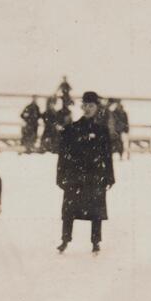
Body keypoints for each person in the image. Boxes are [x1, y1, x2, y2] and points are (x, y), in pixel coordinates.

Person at [56, 91, 114, 253]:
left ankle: (96, 242)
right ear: (81, 106)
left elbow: (107, 156)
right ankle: (65, 240)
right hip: (75, 175)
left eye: (92, 106)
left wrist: (110, 176)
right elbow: (63, 156)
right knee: (69, 208)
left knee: (96, 210)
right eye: (86, 105)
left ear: (97, 108)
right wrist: (60, 175)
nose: (88, 109)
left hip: (95, 175)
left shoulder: (102, 131)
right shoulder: (71, 129)